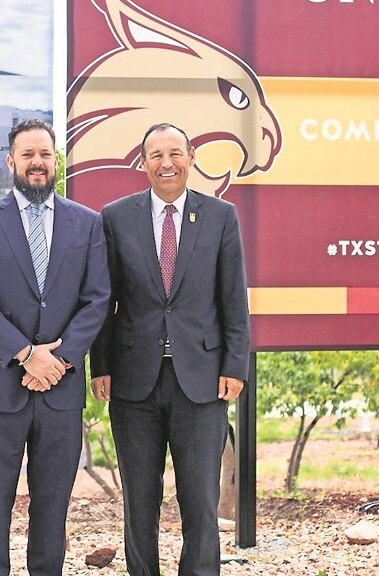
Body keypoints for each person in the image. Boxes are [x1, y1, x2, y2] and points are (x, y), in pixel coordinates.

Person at [90, 122, 251, 576]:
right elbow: (105, 298)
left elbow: (233, 300)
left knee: (199, 500)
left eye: (175, 153)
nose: (167, 163)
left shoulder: (220, 216)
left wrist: (235, 365)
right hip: (132, 381)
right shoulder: (115, 217)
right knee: (140, 500)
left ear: (192, 157)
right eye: (156, 155)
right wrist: (100, 364)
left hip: (202, 381)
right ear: (142, 163)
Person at [0, 118, 110, 576]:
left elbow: (98, 299)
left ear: (56, 160)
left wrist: (58, 360)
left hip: (59, 392)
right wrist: (27, 354)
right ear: (11, 161)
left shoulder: (88, 223)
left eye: (45, 154)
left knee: (52, 507)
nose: (37, 163)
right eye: (28, 155)